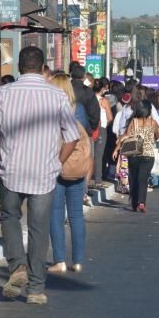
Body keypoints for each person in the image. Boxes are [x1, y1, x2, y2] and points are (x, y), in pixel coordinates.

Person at [0, 46, 80, 305]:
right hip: (44, 173)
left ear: (19, 68)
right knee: (39, 228)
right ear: (43, 67)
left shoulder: (4, 93)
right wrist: (57, 162)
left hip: (11, 169)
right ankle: (36, 289)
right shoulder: (57, 96)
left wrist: (0, 155)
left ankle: (17, 267)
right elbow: (72, 137)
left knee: (9, 217)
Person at [47, 73, 87, 274]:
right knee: (76, 215)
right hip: (78, 168)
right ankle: (78, 261)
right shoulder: (78, 110)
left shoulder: (50, 111)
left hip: (56, 166)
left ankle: (60, 260)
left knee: (55, 214)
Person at [113, 100, 159, 213]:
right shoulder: (153, 123)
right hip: (148, 156)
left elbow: (125, 136)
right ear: (149, 111)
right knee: (143, 179)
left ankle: (135, 202)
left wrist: (116, 149)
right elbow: (157, 136)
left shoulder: (133, 122)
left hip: (134, 154)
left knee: (134, 179)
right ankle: (141, 203)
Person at [71, 65, 100, 204]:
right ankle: (83, 191)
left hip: (64, 130)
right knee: (88, 159)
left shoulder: (65, 89)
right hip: (84, 131)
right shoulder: (88, 92)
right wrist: (91, 127)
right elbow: (95, 113)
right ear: (83, 77)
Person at [90, 78, 113, 189]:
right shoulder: (104, 101)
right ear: (103, 89)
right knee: (99, 156)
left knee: (90, 154)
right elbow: (110, 117)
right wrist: (105, 125)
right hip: (101, 129)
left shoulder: (89, 98)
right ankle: (98, 179)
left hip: (90, 128)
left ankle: (88, 178)